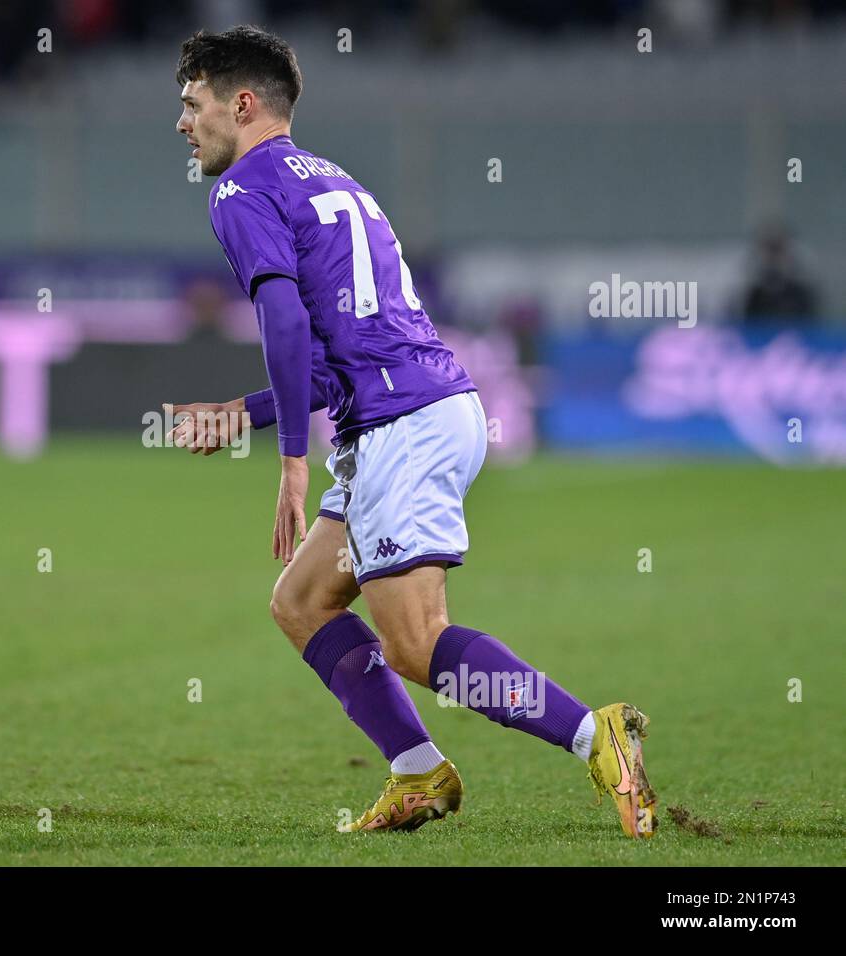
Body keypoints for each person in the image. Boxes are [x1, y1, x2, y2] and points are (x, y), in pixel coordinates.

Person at [165, 25, 655, 836]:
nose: (183, 123)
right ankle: (418, 773)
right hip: (414, 409)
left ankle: (589, 733)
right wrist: (242, 415)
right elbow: (335, 361)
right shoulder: (337, 183)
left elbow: (284, 323)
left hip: (403, 427)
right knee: (303, 601)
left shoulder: (242, 190)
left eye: (192, 103)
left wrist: (290, 458)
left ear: (241, 103)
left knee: (417, 646)